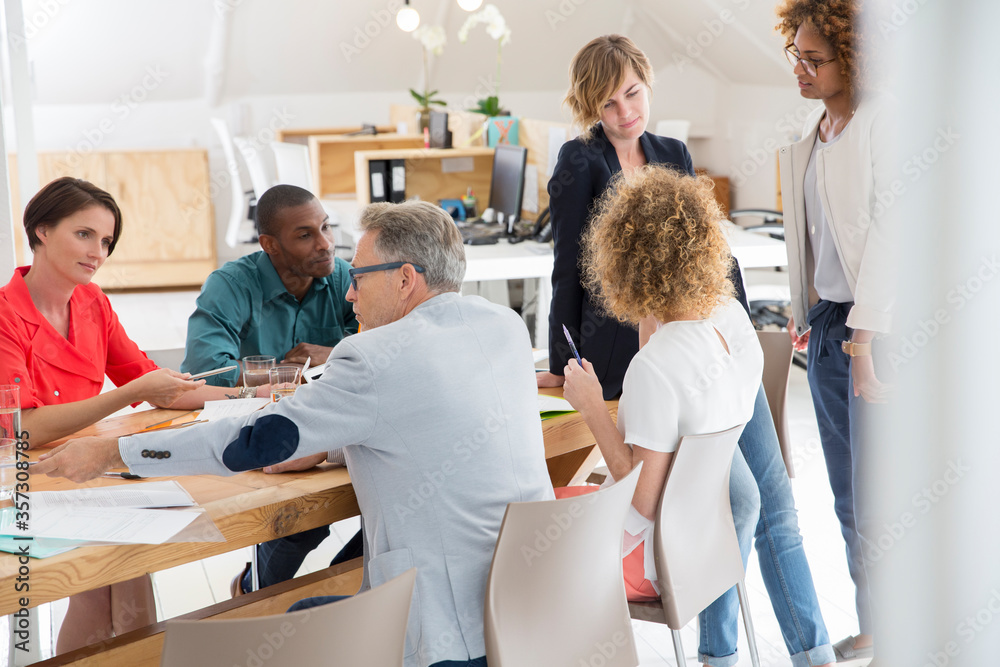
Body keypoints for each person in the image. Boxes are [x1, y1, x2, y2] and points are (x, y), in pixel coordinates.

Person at [36, 200, 555, 667]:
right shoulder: (505, 325)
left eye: (361, 275)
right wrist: (331, 443)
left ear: (404, 280)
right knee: (309, 603)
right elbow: (431, 417)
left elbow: (249, 442)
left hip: (448, 637)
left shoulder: (372, 356)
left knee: (277, 625)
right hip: (530, 614)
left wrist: (112, 451)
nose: (349, 289)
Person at [542, 35, 836, 667]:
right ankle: (722, 653)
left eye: (633, 93)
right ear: (590, 106)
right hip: (636, 363)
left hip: (703, 347)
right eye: (609, 102)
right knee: (726, 504)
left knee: (766, 503)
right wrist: (563, 361)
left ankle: (810, 652)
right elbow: (568, 272)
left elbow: (712, 253)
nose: (626, 112)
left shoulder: (671, 151)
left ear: (647, 84)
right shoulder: (578, 162)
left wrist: (730, 328)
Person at [0, 177, 264, 653]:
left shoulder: (92, 303)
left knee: (135, 577)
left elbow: (154, 384)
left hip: (86, 467)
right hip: (21, 479)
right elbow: (23, 427)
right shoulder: (4, 315)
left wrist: (258, 396)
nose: (97, 252)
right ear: (41, 230)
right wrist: (129, 394)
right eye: (84, 235)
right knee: (99, 589)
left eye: (106, 241)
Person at [561, 165, 762, 639]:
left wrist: (592, 408)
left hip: (647, 558)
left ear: (624, 263)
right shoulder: (733, 325)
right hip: (707, 546)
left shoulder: (654, 370)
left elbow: (642, 500)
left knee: (516, 528)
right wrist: (650, 321)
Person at [777, 1, 896, 663]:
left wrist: (863, 346)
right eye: (795, 54)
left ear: (851, 57)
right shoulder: (817, 132)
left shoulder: (880, 125)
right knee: (847, 490)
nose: (800, 68)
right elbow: (817, 238)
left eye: (813, 59)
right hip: (826, 326)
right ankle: (874, 620)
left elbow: (888, 239)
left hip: (872, 333)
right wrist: (805, 312)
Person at [180, 184, 359, 597]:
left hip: (330, 426)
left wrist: (330, 353)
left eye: (326, 228)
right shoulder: (231, 285)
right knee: (300, 522)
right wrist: (282, 373)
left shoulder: (343, 277)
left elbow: (381, 345)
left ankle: (333, 600)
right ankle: (255, 598)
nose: (326, 244)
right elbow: (206, 371)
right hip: (252, 427)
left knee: (376, 499)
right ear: (270, 245)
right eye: (305, 235)